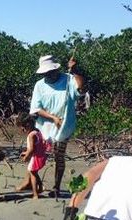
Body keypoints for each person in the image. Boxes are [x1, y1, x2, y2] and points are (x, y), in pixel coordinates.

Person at [30, 55, 84, 197]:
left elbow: (80, 87)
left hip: (64, 127)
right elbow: (36, 108)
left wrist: (75, 70)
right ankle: (29, 182)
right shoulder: (39, 85)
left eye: (50, 72)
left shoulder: (68, 79)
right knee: (35, 155)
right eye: (45, 73)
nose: (48, 75)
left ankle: (56, 187)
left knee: (59, 157)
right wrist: (53, 117)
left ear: (56, 69)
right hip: (44, 127)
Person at [16, 113, 46, 199]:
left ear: (27, 125)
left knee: (32, 173)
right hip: (41, 156)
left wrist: (26, 156)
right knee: (35, 172)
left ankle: (35, 194)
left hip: (35, 158)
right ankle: (40, 187)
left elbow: (32, 149)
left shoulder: (31, 135)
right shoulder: (37, 131)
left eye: (23, 127)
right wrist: (26, 152)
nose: (22, 130)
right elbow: (36, 146)